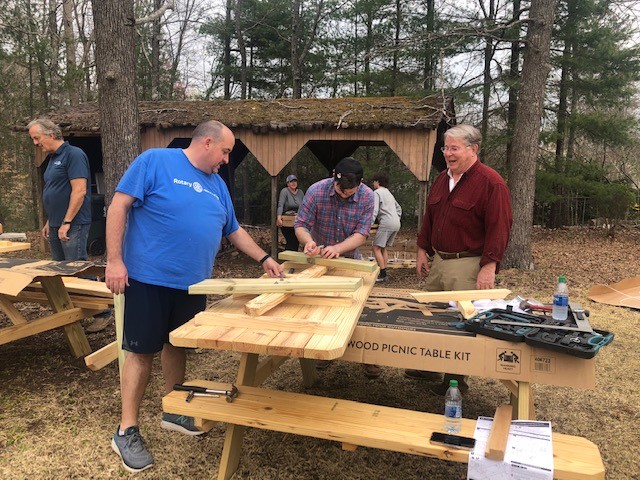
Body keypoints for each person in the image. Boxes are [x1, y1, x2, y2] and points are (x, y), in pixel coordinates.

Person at [105, 120, 283, 473]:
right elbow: (118, 206)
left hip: (192, 285)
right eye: (225, 151)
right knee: (141, 352)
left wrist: (264, 258)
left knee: (177, 345)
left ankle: (175, 410)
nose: (227, 160)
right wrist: (114, 261)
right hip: (148, 278)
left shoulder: (217, 185)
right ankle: (126, 429)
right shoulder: (155, 161)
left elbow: (233, 230)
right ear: (207, 143)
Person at [405, 124, 512, 395]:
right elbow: (430, 217)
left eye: (454, 148)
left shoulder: (491, 183)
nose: (448, 154)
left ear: (473, 149)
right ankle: (429, 367)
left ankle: (454, 381)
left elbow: (499, 228)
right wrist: (422, 249)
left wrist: (489, 266)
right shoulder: (442, 179)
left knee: (459, 322)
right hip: (440, 261)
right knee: (433, 315)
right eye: (445, 148)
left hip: (468, 264)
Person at [295, 157, 381, 378]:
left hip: (349, 258)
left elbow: (362, 234)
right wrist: (308, 242)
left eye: (349, 192)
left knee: (360, 306)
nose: (343, 195)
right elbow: (301, 224)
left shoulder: (367, 196)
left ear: (359, 184)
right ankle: (321, 351)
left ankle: (367, 355)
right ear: (334, 178)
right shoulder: (316, 191)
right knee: (319, 306)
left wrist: (338, 249)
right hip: (318, 258)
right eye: (340, 190)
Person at [27, 118, 111, 333]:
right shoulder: (52, 158)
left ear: (51, 134)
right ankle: (73, 313)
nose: (35, 143)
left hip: (73, 224)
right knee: (61, 270)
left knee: (77, 268)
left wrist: (66, 222)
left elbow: (79, 191)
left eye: (37, 138)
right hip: (57, 224)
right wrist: (50, 222)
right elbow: (56, 192)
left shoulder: (73, 154)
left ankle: (102, 311)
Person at [371, 173, 402, 283]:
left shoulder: (377, 193)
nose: (373, 184)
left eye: (374, 181)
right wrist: (396, 219)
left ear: (377, 182)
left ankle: (383, 274)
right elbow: (399, 209)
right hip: (396, 223)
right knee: (383, 247)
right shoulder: (389, 193)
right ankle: (384, 272)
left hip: (386, 222)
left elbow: (374, 210)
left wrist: (369, 224)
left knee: (376, 248)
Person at [277, 174, 305, 251]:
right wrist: (279, 217)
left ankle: (294, 257)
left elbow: (304, 206)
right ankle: (287, 257)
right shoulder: (284, 191)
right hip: (287, 220)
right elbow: (280, 204)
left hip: (297, 220)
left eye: (295, 181)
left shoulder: (300, 192)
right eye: (291, 181)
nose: (293, 183)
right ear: (288, 183)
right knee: (291, 241)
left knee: (297, 241)